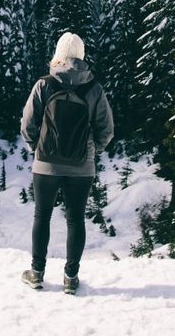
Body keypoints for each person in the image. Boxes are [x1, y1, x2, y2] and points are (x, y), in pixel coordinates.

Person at [19, 32, 114, 295]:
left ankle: (36, 273)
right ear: (82, 55)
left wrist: (35, 148)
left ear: (58, 55)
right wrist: (92, 151)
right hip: (81, 165)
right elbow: (106, 129)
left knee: (42, 216)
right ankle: (70, 278)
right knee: (75, 220)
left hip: (46, 163)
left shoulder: (44, 84)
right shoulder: (93, 88)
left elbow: (28, 124)